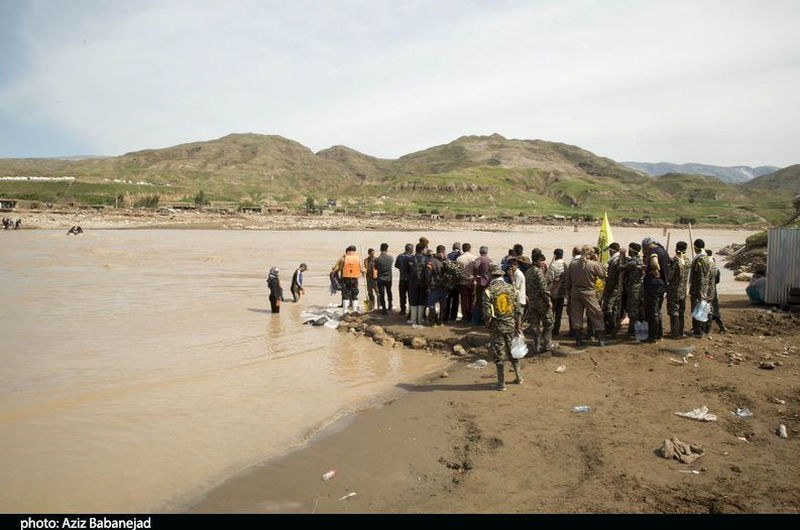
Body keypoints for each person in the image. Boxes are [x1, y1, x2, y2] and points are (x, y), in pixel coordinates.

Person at [482, 264, 523, 391]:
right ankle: (518, 376)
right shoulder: (512, 288)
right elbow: (518, 310)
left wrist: (488, 324)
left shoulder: (489, 291)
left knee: (499, 354)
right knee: (513, 350)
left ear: (490, 275)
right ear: (501, 275)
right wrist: (518, 326)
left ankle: (501, 383)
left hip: (497, 326)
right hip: (511, 324)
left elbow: (487, 313)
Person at [565, 245, 607, 346]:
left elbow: (567, 280)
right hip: (589, 292)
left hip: (575, 292)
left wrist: (569, 291)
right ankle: (601, 339)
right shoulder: (593, 264)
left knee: (577, 316)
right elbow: (603, 275)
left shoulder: (573, 264)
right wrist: (597, 262)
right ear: (591, 254)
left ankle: (578, 340)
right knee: (597, 314)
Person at [642, 237, 671, 343]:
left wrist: (654, 270)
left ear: (648, 245)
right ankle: (659, 335)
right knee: (658, 311)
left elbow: (654, 263)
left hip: (653, 285)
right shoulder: (663, 251)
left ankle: (652, 337)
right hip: (662, 285)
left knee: (652, 311)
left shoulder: (653, 252)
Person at [525, 250, 554, 353]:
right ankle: (547, 344)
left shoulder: (528, 272)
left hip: (532, 303)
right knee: (548, 324)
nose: (543, 263)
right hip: (541, 302)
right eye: (541, 261)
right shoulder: (538, 272)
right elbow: (543, 289)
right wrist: (548, 301)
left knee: (535, 325)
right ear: (536, 261)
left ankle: (536, 345)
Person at [618, 242, 645, 338]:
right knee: (636, 310)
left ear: (632, 251)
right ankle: (635, 331)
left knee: (633, 311)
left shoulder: (634, 262)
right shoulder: (638, 260)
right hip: (638, 289)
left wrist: (621, 256)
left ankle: (633, 332)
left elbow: (621, 267)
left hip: (634, 290)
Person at [689, 239, 714, 338]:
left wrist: (700, 292)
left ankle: (698, 332)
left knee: (698, 310)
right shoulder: (710, 259)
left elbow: (701, 278)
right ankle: (707, 330)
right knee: (707, 309)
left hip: (699, 289)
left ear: (695, 247)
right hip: (709, 289)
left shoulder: (700, 260)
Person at [667, 242, 690, 338]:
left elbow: (669, 276)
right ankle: (681, 331)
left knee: (674, 311)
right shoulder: (688, 261)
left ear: (676, 249)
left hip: (674, 290)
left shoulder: (674, 261)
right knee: (681, 311)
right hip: (683, 290)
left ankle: (675, 332)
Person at [601, 242, 622, 337]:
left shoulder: (614, 261)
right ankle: (613, 327)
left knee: (608, 307)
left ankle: (610, 329)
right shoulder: (619, 259)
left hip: (613, 288)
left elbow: (611, 279)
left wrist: (606, 290)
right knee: (614, 308)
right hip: (618, 287)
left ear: (612, 251)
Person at [406, 242, 428, 326]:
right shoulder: (426, 259)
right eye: (425, 248)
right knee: (421, 301)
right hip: (423, 284)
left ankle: (413, 320)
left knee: (413, 301)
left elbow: (407, 271)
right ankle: (420, 320)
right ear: (422, 249)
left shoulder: (411, 259)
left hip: (412, 283)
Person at [334, 245, 361, 313]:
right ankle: (354, 310)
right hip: (354, 278)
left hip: (345, 278)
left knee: (345, 294)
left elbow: (336, 268)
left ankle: (345, 311)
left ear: (348, 250)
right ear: (355, 251)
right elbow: (362, 269)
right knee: (354, 294)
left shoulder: (343, 258)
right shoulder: (358, 258)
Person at [546, 249, 567, 337]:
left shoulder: (553, 265)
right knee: (559, 312)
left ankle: (549, 330)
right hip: (562, 291)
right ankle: (556, 329)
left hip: (554, 291)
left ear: (555, 255)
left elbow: (549, 279)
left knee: (551, 312)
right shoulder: (565, 265)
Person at [425, 245, 447, 325]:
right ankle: (441, 321)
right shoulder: (447, 261)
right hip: (444, 287)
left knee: (431, 304)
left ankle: (433, 321)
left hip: (434, 286)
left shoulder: (431, 261)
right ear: (444, 251)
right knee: (443, 305)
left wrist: (428, 284)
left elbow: (428, 274)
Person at [706, 249, 727, 334]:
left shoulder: (708, 265)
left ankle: (708, 330)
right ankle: (722, 327)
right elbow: (717, 281)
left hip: (709, 291)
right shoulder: (715, 266)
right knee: (716, 310)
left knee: (709, 311)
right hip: (714, 290)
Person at [457, 243, 477, 321]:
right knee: (472, 299)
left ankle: (465, 317)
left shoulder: (459, 259)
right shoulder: (474, 258)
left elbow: (458, 272)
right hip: (473, 282)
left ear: (463, 249)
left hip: (463, 282)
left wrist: (466, 278)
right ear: (470, 249)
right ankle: (472, 316)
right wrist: (472, 278)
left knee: (464, 300)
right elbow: (476, 270)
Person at [444, 242, 462, 321]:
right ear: (460, 248)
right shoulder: (460, 256)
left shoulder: (448, 255)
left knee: (448, 299)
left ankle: (446, 316)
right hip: (457, 281)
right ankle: (453, 317)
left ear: (452, 247)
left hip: (448, 281)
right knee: (455, 300)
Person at [473, 246, 491, 324]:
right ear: (486, 252)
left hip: (481, 282)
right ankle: (485, 319)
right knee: (487, 302)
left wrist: (476, 274)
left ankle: (477, 320)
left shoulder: (479, 259)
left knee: (478, 302)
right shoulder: (489, 259)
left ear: (480, 252)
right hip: (488, 282)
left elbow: (475, 266)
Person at [375, 243, 394, 314]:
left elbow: (376, 268)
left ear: (380, 249)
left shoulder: (377, 259)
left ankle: (384, 308)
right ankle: (390, 304)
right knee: (389, 291)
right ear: (387, 249)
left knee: (382, 293)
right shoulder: (391, 258)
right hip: (389, 278)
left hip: (380, 278)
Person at [394, 243, 413, 316]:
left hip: (402, 278)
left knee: (402, 296)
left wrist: (402, 269)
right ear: (410, 249)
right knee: (410, 296)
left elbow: (396, 265)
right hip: (409, 279)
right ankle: (411, 311)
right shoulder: (411, 257)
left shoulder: (400, 256)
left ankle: (403, 310)